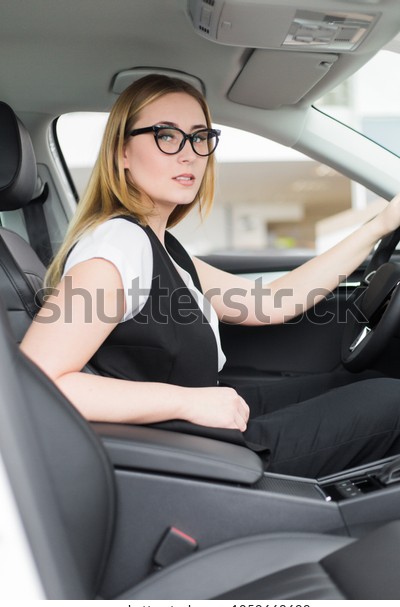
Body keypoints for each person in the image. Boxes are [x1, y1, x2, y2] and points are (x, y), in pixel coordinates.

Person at [20, 74, 400, 478]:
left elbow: (268, 302)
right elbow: (38, 382)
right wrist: (185, 402)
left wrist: (379, 225)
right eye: (166, 135)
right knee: (392, 400)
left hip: (205, 427)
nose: (189, 154)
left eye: (199, 137)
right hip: (202, 451)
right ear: (122, 153)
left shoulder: (157, 244)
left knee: (366, 382)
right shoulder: (116, 247)